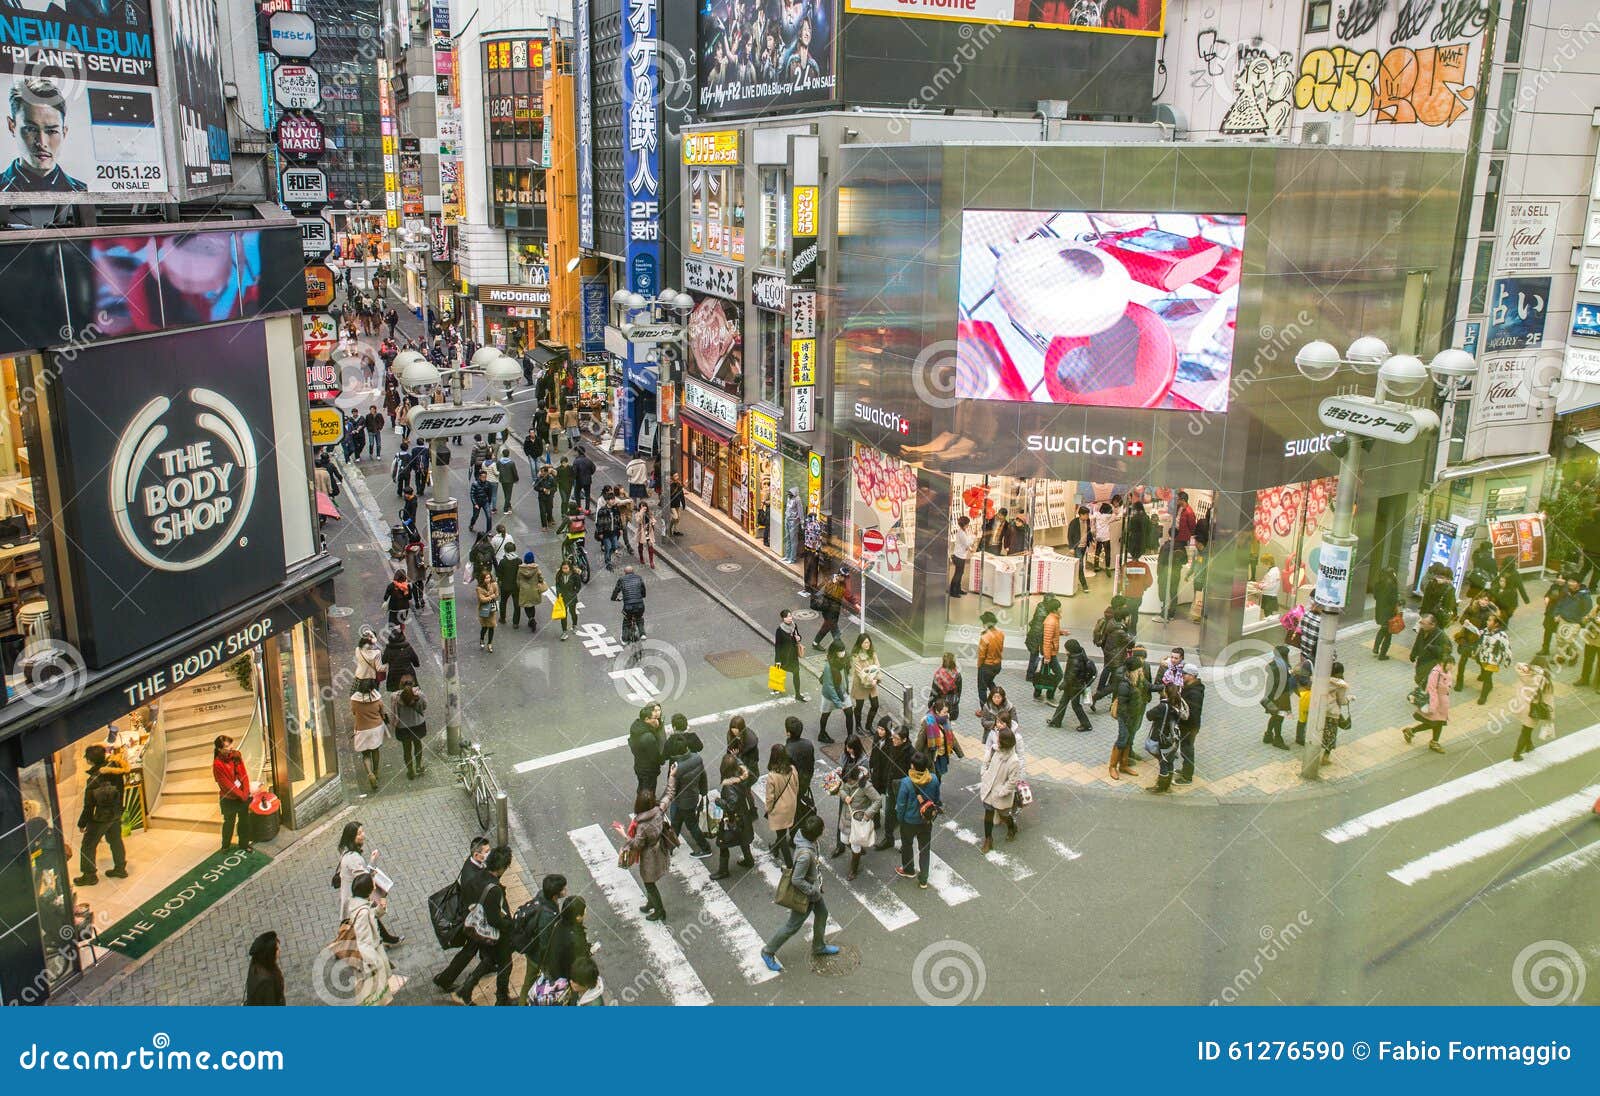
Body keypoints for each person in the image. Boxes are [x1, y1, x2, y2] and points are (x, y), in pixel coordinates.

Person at [758, 814, 839, 972]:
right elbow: (797, 880)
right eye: (822, 829)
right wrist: (812, 890)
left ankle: (819, 946)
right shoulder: (805, 855)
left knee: (822, 914)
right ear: (815, 834)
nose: (824, 830)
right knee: (792, 926)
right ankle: (768, 951)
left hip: (813, 892)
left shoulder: (803, 837)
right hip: (806, 895)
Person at [1, 79, 88, 192]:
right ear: (12, 126)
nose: (42, 143)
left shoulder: (82, 191)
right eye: (31, 129)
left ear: (64, 132)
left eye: (52, 131)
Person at [455, 845, 515, 1004]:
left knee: (489, 959)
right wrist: (510, 925)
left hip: (476, 927)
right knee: (506, 964)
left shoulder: (475, 876)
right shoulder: (494, 889)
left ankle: (466, 989)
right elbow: (495, 920)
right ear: (502, 868)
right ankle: (502, 1000)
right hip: (493, 932)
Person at [433, 837, 495, 992]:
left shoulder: (473, 864)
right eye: (487, 852)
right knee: (470, 950)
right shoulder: (472, 877)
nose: (490, 853)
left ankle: (488, 961)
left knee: (478, 945)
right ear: (476, 855)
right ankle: (445, 979)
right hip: (471, 917)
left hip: (471, 914)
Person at [73, 744, 130, 886]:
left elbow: (89, 805)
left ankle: (89, 875)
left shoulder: (93, 779)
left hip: (100, 817)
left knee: (88, 845)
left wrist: (82, 823)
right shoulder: (116, 770)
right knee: (115, 840)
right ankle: (120, 868)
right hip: (116, 813)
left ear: (90, 761)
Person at [336, 821, 401, 945]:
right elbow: (364, 879)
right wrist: (372, 862)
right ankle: (342, 946)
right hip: (355, 897)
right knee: (362, 917)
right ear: (352, 838)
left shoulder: (347, 853)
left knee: (360, 918)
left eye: (362, 831)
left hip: (350, 895)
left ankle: (386, 938)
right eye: (359, 833)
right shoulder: (353, 858)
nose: (363, 835)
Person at [346, 873, 399, 1006]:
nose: (375, 886)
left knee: (377, 991)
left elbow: (374, 915)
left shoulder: (359, 905)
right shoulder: (363, 912)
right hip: (371, 958)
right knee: (375, 992)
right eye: (373, 884)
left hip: (373, 954)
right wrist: (375, 963)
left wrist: (381, 905)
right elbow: (363, 941)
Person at [894, 752, 941, 888]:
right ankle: (923, 879)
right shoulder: (933, 779)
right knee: (924, 849)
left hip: (909, 820)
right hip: (926, 820)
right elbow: (937, 799)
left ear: (913, 766)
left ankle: (908, 870)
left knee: (907, 844)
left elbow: (901, 805)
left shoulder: (907, 782)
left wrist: (900, 819)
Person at [624, 790, 671, 921]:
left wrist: (625, 836)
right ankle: (651, 903)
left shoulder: (642, 825)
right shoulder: (659, 812)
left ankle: (659, 910)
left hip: (649, 856)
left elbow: (637, 844)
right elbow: (669, 794)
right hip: (659, 849)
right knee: (650, 882)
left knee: (649, 883)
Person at [709, 751, 757, 880]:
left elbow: (731, 805)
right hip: (743, 815)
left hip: (733, 819)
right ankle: (749, 860)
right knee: (743, 840)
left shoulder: (728, 786)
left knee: (723, 844)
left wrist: (719, 801)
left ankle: (723, 871)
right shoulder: (742, 777)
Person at [663, 735, 712, 857]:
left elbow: (672, 789)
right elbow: (703, 775)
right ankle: (670, 846)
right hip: (692, 797)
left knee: (691, 825)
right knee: (676, 823)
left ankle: (706, 848)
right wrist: (704, 791)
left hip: (682, 801)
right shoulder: (697, 758)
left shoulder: (677, 767)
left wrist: (672, 777)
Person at [832, 764, 880, 879]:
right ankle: (858, 851)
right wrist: (845, 796)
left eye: (849, 780)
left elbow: (878, 800)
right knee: (844, 839)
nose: (847, 782)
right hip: (846, 817)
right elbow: (841, 789)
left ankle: (854, 869)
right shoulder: (846, 780)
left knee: (855, 846)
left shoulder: (866, 786)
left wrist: (867, 814)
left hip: (858, 820)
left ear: (854, 777)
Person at [870, 720, 912, 852]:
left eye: (896, 738)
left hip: (903, 788)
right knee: (889, 813)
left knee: (903, 816)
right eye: (892, 736)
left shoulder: (911, 753)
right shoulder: (892, 745)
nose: (892, 739)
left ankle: (906, 843)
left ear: (904, 740)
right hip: (890, 785)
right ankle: (888, 839)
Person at [1108, 646, 1149, 779]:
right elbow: (1122, 706)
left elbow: (1149, 686)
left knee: (1128, 740)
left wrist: (1163, 687)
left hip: (1133, 715)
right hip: (1125, 717)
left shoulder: (1138, 679)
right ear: (1133, 670)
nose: (1141, 669)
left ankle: (1124, 765)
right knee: (1122, 740)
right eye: (1139, 668)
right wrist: (1126, 719)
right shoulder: (1125, 684)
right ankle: (1112, 766)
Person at [979, 728, 1023, 852]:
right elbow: (986, 763)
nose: (996, 740)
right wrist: (984, 773)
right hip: (989, 789)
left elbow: (1012, 781)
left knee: (1004, 816)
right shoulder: (996, 751)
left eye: (999, 738)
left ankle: (1012, 826)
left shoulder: (1014, 760)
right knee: (988, 814)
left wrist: (1002, 792)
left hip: (1000, 794)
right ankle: (988, 839)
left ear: (1004, 742)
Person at [1402, 659, 1453, 753]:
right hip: (1435, 702)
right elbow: (1431, 689)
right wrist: (1433, 706)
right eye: (1450, 664)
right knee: (1436, 722)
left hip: (1442, 703)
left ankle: (1412, 732)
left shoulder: (1447, 672)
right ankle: (1433, 742)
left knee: (1437, 723)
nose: (1451, 667)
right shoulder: (1436, 673)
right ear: (1443, 663)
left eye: (1452, 664)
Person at [1144, 683, 1187, 794]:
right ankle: (1167, 786)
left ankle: (1160, 787)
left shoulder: (1163, 706)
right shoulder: (1177, 705)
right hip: (1173, 739)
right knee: (1170, 761)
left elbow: (1149, 715)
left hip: (1161, 739)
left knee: (1163, 762)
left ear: (1165, 693)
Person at [213, 735, 253, 853]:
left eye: (231, 744)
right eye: (227, 746)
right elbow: (226, 785)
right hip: (229, 798)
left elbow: (243, 774)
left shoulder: (236, 755)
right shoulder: (217, 764)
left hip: (242, 796)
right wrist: (242, 795)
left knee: (244, 821)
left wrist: (245, 792)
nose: (231, 747)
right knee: (229, 823)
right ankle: (225, 846)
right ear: (220, 749)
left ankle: (244, 844)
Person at [1512, 655, 1555, 762]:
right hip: (1532, 709)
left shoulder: (1526, 674)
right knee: (1526, 731)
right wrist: (1550, 717)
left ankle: (1529, 745)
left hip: (1521, 705)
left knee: (1526, 728)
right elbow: (1548, 700)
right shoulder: (1545, 681)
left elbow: (1518, 665)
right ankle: (1516, 754)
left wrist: (1531, 667)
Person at [1047, 638, 1095, 732]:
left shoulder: (1074, 661)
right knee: (1063, 703)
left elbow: (1070, 677)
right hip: (1074, 686)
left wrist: (1061, 686)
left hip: (1074, 687)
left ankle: (1086, 725)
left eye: (1067, 649)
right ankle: (1056, 721)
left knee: (1075, 705)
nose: (1066, 651)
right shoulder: (1079, 654)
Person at [764, 743, 800, 868]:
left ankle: (790, 866)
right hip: (791, 805)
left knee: (781, 835)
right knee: (783, 831)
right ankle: (774, 847)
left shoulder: (772, 776)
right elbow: (796, 787)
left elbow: (770, 797)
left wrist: (768, 809)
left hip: (779, 809)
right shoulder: (792, 769)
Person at [1539, 575, 1592, 657]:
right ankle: (1560, 656)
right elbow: (1559, 603)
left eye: (1562, 578)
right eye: (1558, 577)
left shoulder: (1583, 595)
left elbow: (1588, 609)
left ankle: (1573, 654)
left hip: (1574, 621)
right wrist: (1556, 613)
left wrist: (1580, 619)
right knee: (1559, 638)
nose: (1560, 580)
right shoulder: (1563, 589)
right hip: (1560, 617)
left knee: (1568, 639)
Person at [350, 684, 388, 792]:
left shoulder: (354, 701)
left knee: (365, 754)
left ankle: (370, 773)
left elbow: (354, 712)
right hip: (376, 728)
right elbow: (382, 713)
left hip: (361, 729)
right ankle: (376, 771)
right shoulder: (377, 699)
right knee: (375, 750)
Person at [391, 679, 429, 779]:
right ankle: (419, 766)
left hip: (403, 727)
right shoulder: (419, 695)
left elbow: (394, 712)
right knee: (418, 744)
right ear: (413, 685)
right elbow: (424, 707)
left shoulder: (395, 697)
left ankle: (410, 770)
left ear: (400, 686)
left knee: (406, 749)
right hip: (418, 724)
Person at [1473, 613, 1512, 705]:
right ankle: (1490, 685)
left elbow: (1507, 648)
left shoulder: (1502, 635)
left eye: (1490, 620)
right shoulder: (1485, 631)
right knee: (1486, 675)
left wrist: (1507, 662)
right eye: (1488, 620)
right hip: (1483, 658)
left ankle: (1483, 696)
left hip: (1493, 660)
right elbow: (1478, 636)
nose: (1487, 621)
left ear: (1496, 624)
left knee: (1487, 676)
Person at [1175, 662, 1205, 785]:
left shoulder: (1194, 692)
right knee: (1185, 749)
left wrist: (1183, 719)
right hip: (1188, 726)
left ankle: (1187, 777)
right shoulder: (1192, 687)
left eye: (1184, 674)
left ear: (1192, 675)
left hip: (1189, 726)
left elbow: (1193, 713)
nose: (1182, 676)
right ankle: (1185, 770)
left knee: (1187, 750)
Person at [784, 715, 816, 824]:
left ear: (788, 733)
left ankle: (795, 824)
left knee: (794, 805)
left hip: (794, 783)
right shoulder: (808, 744)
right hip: (806, 778)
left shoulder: (787, 750)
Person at [1260, 644, 1293, 751]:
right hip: (1281, 698)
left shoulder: (1273, 665)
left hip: (1271, 696)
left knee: (1274, 716)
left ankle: (1268, 735)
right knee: (1279, 717)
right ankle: (1278, 739)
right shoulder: (1284, 668)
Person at [813, 569, 853, 652]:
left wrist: (855, 603)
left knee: (826, 627)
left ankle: (815, 643)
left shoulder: (842, 584)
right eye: (844, 577)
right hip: (827, 610)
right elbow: (828, 593)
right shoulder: (830, 581)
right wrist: (834, 583)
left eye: (846, 577)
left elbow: (847, 595)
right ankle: (841, 649)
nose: (845, 579)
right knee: (835, 630)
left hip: (835, 610)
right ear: (839, 575)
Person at [1410, 613, 1452, 692]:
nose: (1421, 625)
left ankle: (1429, 695)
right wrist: (1413, 654)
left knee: (1427, 681)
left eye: (1423, 624)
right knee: (1418, 678)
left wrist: (1432, 648)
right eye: (1421, 623)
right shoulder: (1422, 630)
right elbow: (1418, 642)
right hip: (1421, 660)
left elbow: (1447, 651)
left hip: (1431, 663)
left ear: (1432, 625)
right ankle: (1423, 690)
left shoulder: (1441, 636)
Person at [920, 697, 961, 777]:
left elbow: (951, 736)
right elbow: (920, 741)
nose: (947, 714)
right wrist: (916, 757)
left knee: (939, 776)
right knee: (933, 777)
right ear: (937, 711)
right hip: (931, 756)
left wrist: (959, 752)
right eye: (944, 712)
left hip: (942, 756)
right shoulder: (928, 722)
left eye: (947, 711)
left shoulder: (945, 720)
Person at [818, 640, 850, 743]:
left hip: (843, 692)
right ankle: (822, 733)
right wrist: (838, 703)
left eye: (843, 650)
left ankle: (850, 738)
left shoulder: (844, 660)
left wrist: (846, 689)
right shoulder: (829, 666)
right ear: (835, 651)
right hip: (830, 695)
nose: (843, 652)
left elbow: (845, 676)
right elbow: (829, 687)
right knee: (826, 714)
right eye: (840, 651)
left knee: (849, 713)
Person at [629, 704, 664, 795]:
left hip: (639, 765)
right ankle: (647, 806)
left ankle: (643, 801)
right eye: (654, 718)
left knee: (642, 786)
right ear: (647, 719)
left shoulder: (636, 727)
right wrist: (661, 760)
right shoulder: (648, 737)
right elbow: (655, 757)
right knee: (649, 790)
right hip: (649, 770)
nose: (657, 720)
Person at [850, 633, 882, 731]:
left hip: (872, 683)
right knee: (859, 706)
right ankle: (858, 726)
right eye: (865, 643)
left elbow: (878, 667)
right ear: (860, 644)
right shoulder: (856, 656)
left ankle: (869, 725)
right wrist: (870, 680)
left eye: (868, 642)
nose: (867, 645)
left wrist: (876, 679)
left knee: (875, 705)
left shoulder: (873, 653)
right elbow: (860, 672)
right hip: (860, 684)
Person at [1320, 661, 1350, 765]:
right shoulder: (1341, 685)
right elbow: (1341, 701)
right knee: (1330, 736)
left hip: (1319, 711)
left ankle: (1313, 753)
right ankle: (1325, 758)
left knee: (1319, 733)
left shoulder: (1322, 679)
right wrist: (1349, 699)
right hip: (1332, 713)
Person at [773, 609, 806, 702]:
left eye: (790, 616)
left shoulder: (794, 626)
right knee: (779, 670)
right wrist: (778, 660)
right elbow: (778, 646)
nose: (789, 618)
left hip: (793, 655)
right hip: (783, 656)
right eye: (787, 616)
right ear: (783, 618)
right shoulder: (779, 630)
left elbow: (798, 637)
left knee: (796, 673)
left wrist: (799, 638)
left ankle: (798, 694)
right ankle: (776, 687)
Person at [245, 931, 285, 1005]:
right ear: (269, 954)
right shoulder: (266, 982)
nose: (280, 950)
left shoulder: (256, 962)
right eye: (277, 949)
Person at [1371, 567, 1401, 660]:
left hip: (1380, 610)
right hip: (1389, 612)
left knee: (1383, 629)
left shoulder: (1378, 584)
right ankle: (1382, 654)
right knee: (1388, 634)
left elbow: (1375, 596)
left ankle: (1376, 648)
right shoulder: (1393, 585)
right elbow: (1393, 600)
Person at [612, 564, 647, 640]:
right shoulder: (639, 578)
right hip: (640, 605)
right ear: (633, 571)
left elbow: (616, 591)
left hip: (628, 607)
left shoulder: (622, 579)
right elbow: (643, 589)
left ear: (625, 572)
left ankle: (624, 638)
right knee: (639, 618)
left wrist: (614, 598)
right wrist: (642, 596)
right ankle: (642, 634)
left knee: (626, 620)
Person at [382, 626, 420, 695]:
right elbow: (416, 662)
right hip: (408, 675)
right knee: (411, 693)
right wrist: (416, 664)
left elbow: (383, 661)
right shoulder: (407, 647)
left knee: (396, 696)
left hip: (393, 677)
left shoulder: (389, 648)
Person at [977, 611, 1005, 699]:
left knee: (982, 688)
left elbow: (981, 655)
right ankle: (999, 699)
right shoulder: (1001, 634)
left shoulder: (985, 637)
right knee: (989, 682)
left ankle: (984, 709)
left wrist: (979, 665)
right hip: (997, 665)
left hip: (987, 666)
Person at [929, 652, 963, 723]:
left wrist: (930, 703)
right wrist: (956, 702)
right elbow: (959, 691)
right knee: (948, 723)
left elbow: (934, 691)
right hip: (952, 705)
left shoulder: (938, 675)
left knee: (940, 724)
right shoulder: (957, 675)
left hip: (940, 705)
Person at [1156, 532, 1182, 622]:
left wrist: (1158, 572)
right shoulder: (1181, 546)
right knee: (1173, 592)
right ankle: (1172, 614)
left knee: (1163, 592)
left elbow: (1161, 560)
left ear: (1168, 534)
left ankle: (1164, 615)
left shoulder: (1165, 546)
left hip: (1165, 572)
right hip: (1176, 573)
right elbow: (1185, 560)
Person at [555, 560, 583, 640]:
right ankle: (564, 631)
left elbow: (578, 586)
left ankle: (574, 625)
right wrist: (558, 594)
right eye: (563, 568)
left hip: (571, 598)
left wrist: (574, 593)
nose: (564, 570)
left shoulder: (575, 575)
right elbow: (557, 585)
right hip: (562, 597)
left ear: (569, 568)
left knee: (572, 612)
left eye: (566, 568)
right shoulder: (559, 574)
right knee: (563, 615)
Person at [949, 514, 974, 597]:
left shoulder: (963, 532)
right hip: (959, 556)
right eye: (967, 524)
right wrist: (973, 537)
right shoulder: (961, 533)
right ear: (965, 524)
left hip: (960, 555)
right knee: (958, 574)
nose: (968, 525)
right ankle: (953, 591)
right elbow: (967, 543)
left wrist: (969, 547)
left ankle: (958, 589)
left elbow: (965, 544)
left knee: (960, 573)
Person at [476, 567, 499, 653]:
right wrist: (491, 596)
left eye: (489, 577)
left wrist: (492, 596)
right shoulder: (479, 588)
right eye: (486, 578)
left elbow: (497, 593)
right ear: (483, 579)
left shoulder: (494, 584)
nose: (488, 579)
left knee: (492, 626)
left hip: (492, 609)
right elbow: (482, 599)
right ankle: (482, 639)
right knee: (484, 627)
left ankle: (490, 644)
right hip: (484, 609)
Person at [1579, 602, 1600, 690]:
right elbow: (1586, 619)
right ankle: (1584, 679)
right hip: (1591, 640)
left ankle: (1598, 685)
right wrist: (1586, 618)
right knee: (1588, 660)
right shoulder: (1596, 608)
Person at [469, 469, 494, 534]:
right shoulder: (475, 484)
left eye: (485, 477)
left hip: (485, 502)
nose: (484, 478)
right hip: (477, 503)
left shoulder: (488, 484)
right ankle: (471, 524)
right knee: (475, 516)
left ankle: (488, 531)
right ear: (479, 477)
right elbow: (472, 495)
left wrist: (489, 502)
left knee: (489, 516)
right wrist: (475, 504)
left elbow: (490, 494)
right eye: (483, 477)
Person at [635, 501, 658, 569]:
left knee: (650, 545)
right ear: (639, 508)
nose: (643, 508)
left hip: (648, 531)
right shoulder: (637, 514)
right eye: (641, 507)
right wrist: (641, 513)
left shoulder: (649, 513)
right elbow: (638, 521)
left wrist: (653, 522)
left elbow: (653, 519)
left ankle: (651, 561)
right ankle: (641, 557)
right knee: (640, 544)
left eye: (644, 506)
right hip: (641, 532)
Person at [572, 446, 596, 511]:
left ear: (578, 452)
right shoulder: (588, 460)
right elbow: (593, 468)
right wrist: (589, 474)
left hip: (578, 481)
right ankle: (587, 509)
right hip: (588, 480)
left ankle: (579, 507)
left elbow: (574, 472)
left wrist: (574, 478)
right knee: (587, 495)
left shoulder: (576, 461)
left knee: (577, 494)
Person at [534, 464, 558, 529]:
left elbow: (555, 488)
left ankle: (549, 520)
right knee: (542, 511)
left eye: (543, 473)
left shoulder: (551, 479)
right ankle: (544, 526)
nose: (542, 474)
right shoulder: (539, 479)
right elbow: (535, 487)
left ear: (547, 473)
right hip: (541, 498)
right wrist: (542, 489)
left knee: (549, 510)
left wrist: (550, 491)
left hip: (549, 498)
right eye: (541, 472)